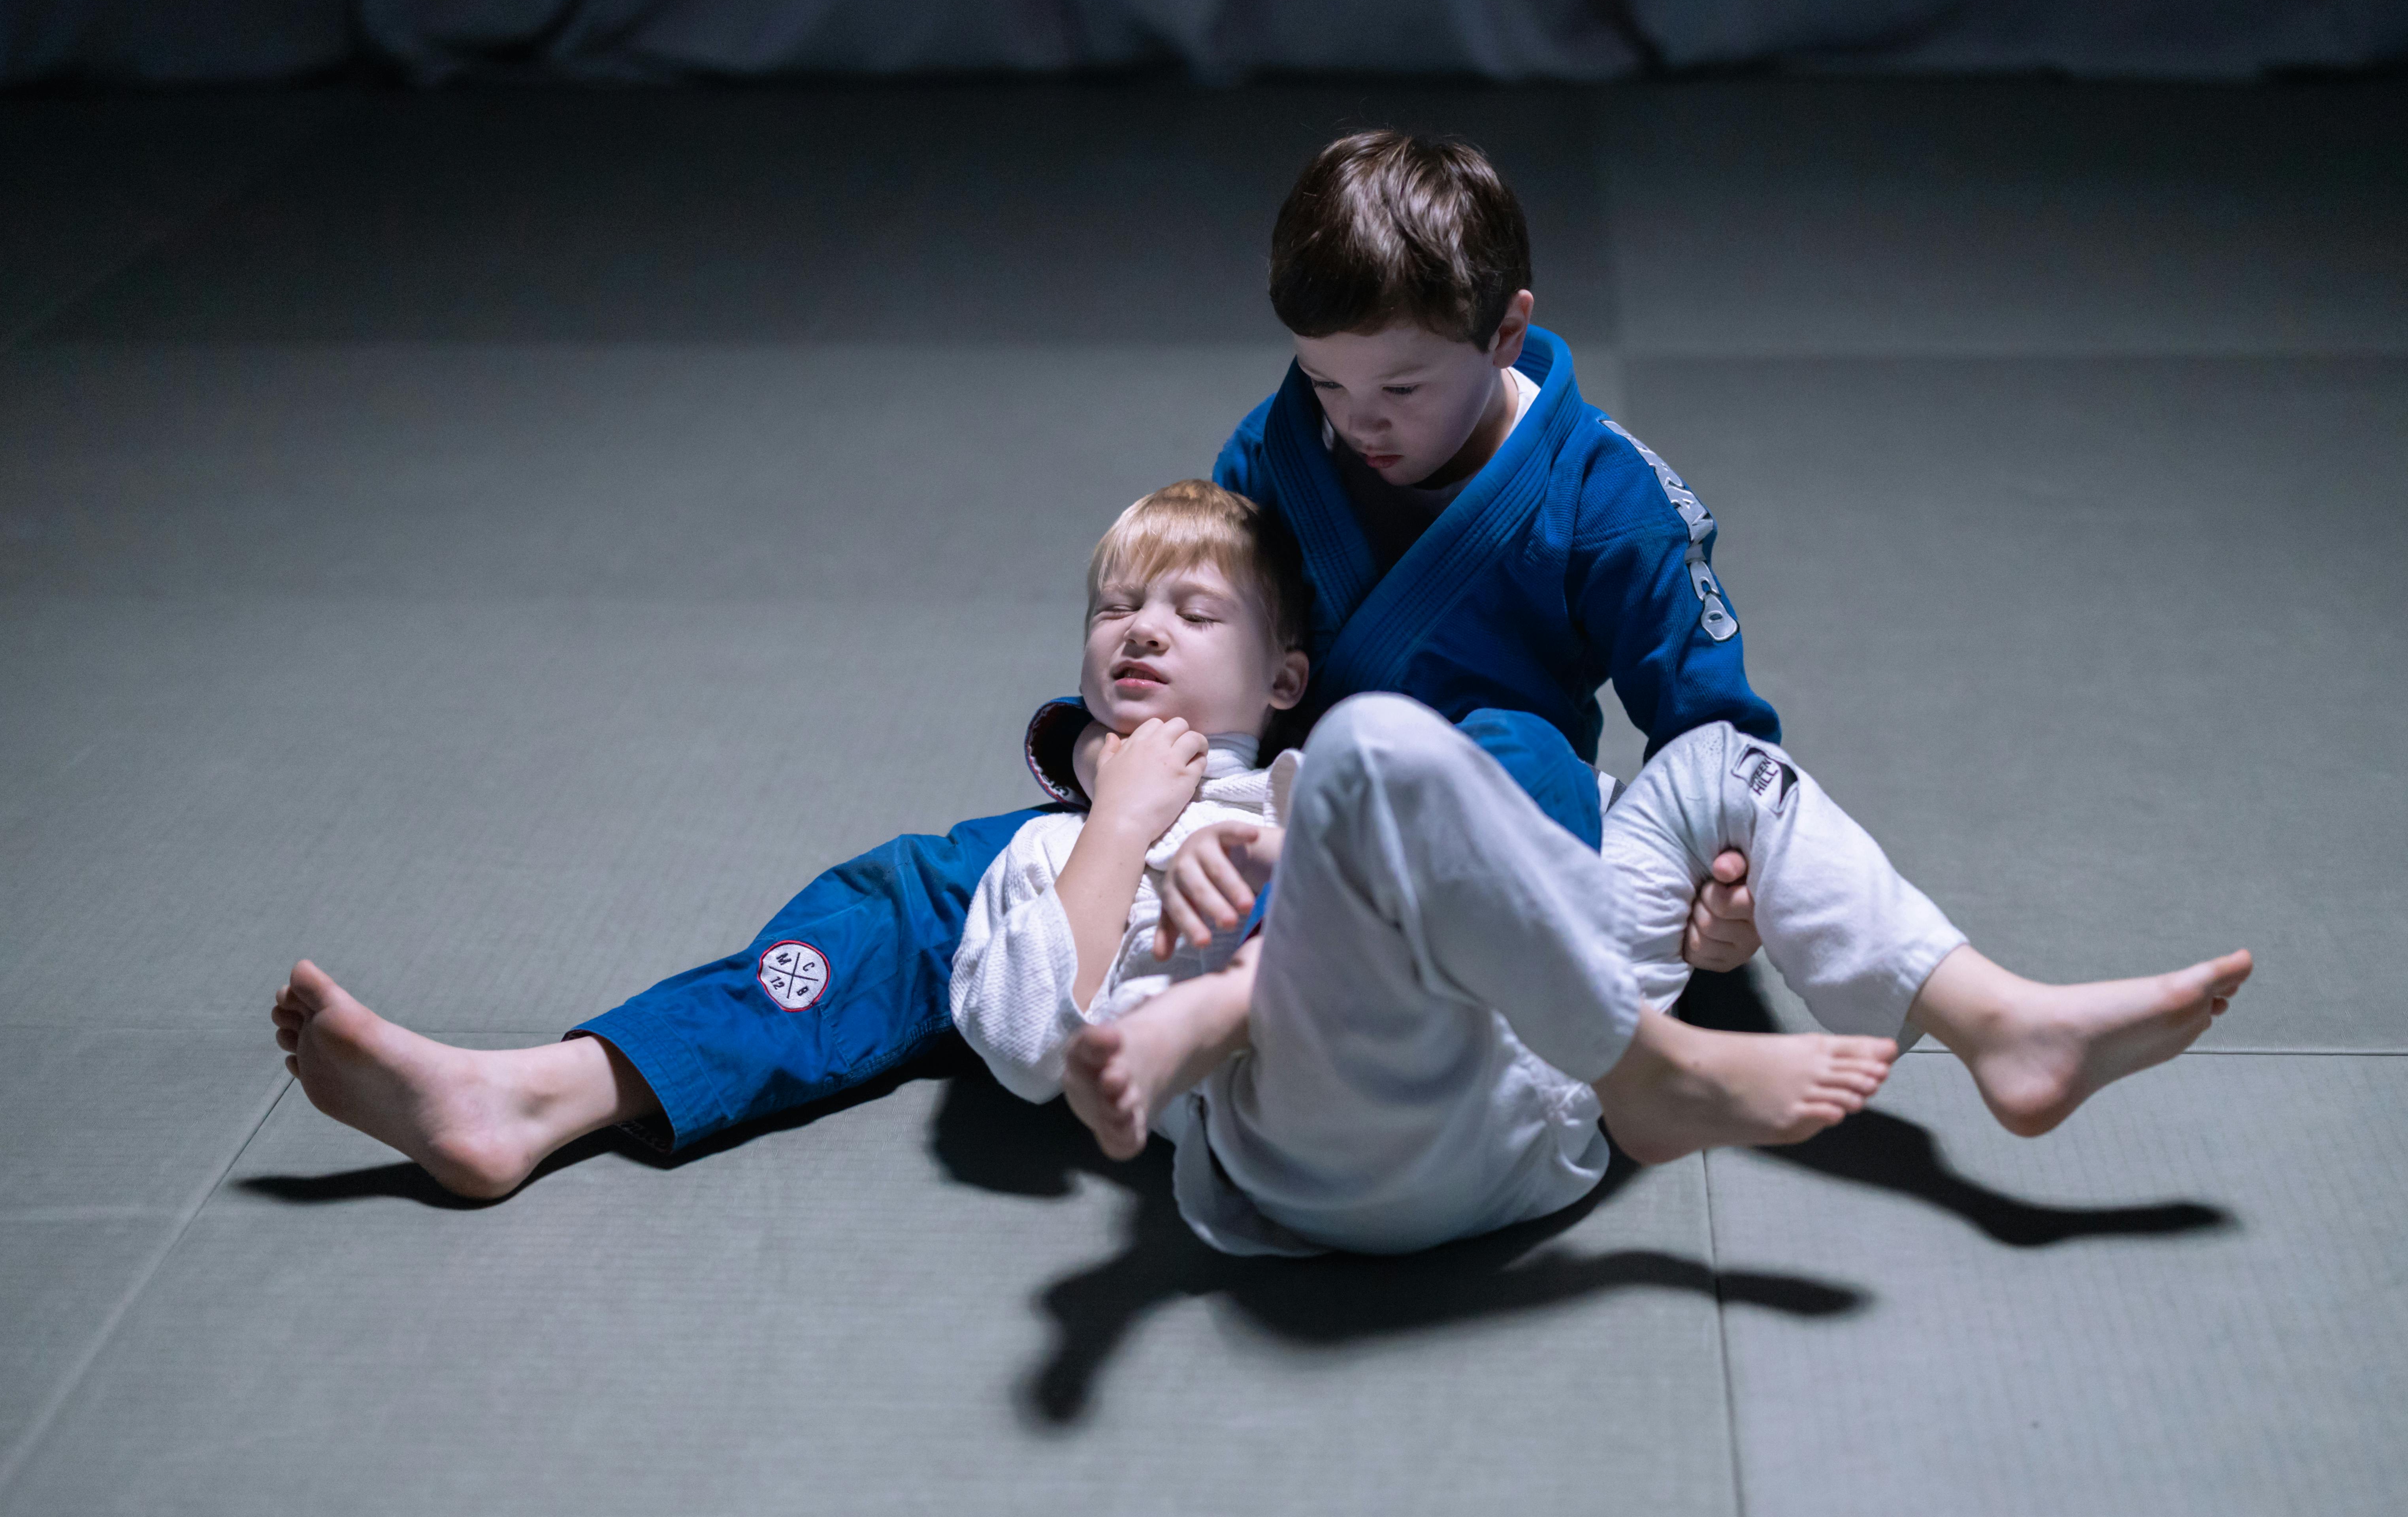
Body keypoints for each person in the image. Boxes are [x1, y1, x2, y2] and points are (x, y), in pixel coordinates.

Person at [266, 130, 1918, 1197]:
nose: (1356, 428)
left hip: (1470, 836)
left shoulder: (1607, 495)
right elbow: (1203, 625)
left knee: (1512, 750)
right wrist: (1123, 770)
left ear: (1506, 333)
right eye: (1325, 388)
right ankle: (553, 1090)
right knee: (911, 892)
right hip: (1234, 799)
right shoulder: (1281, 449)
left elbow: (1712, 745)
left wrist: (1722, 898)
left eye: (1396, 391)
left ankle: (1241, 1000)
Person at [960, 480, 2249, 1257]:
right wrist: (1122, 828)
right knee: (1375, 756)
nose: (1141, 631)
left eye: (1192, 613)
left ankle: (2000, 1023)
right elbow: (1026, 1042)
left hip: (1539, 1106)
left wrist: (1705, 923)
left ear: (1281, 676)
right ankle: (1654, 1072)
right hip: (1338, 1148)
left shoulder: (1315, 779)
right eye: (1114, 611)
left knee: (1710, 768)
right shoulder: (1048, 851)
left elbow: (1554, 872)